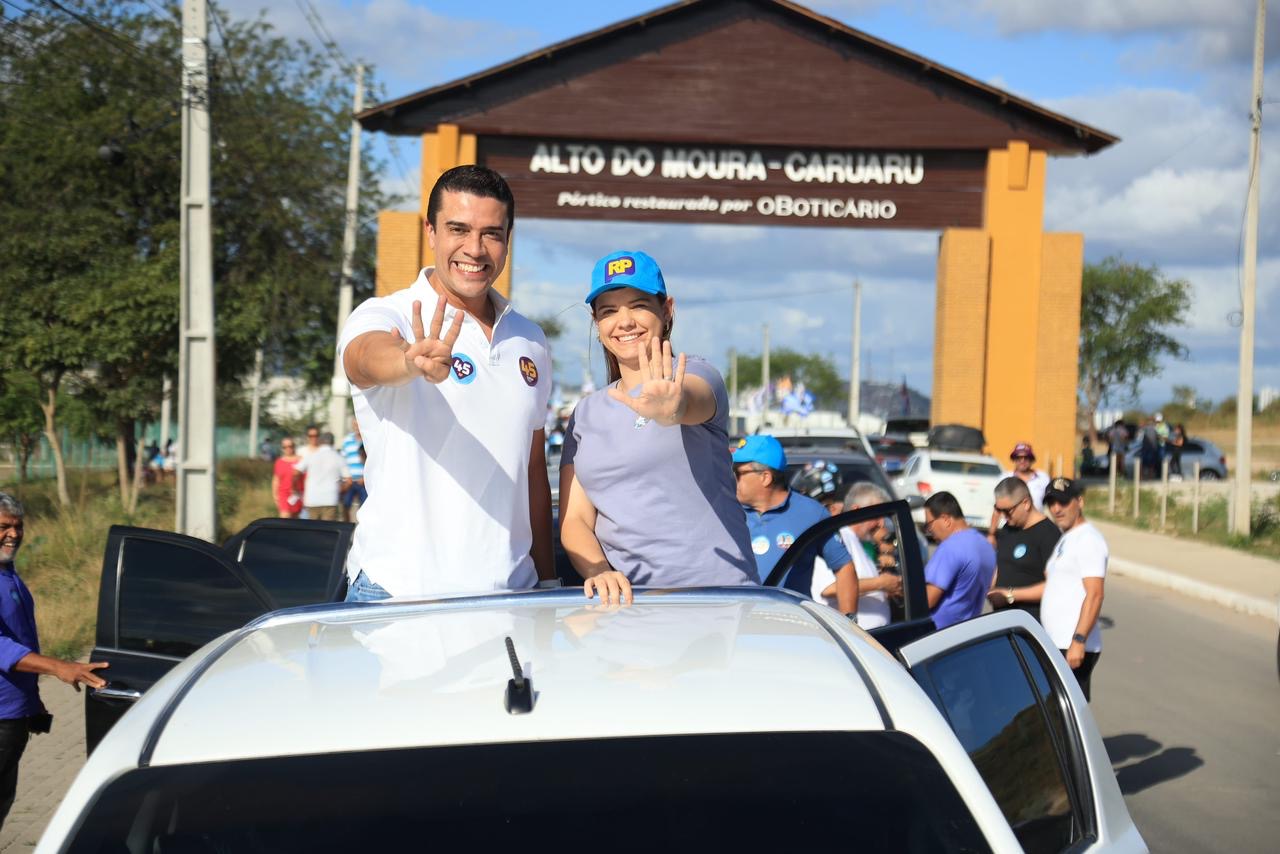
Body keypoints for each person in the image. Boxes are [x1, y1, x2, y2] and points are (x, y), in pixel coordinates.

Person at [338, 165, 554, 600]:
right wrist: (407, 361)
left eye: (492, 233)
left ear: (507, 241)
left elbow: (531, 469)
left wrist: (548, 582)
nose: (474, 249)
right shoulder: (392, 313)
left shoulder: (529, 339)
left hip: (513, 598)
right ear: (431, 232)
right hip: (399, 596)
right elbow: (363, 358)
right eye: (458, 229)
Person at [558, 250, 757, 604]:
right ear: (596, 322)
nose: (624, 321)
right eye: (608, 311)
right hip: (629, 608)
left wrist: (672, 407)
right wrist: (599, 571)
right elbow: (574, 520)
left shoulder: (696, 375)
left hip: (718, 602)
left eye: (638, 305)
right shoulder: (585, 414)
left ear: (666, 311)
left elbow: (689, 401)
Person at [0, 493, 108, 829]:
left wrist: (32, 703)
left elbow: (20, 640)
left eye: (18, 527)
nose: (14, 534)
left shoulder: (8, 573)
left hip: (13, 714)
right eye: (4, 526)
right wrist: (60, 667)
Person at [732, 435, 858, 615]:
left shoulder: (812, 513)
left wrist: (849, 622)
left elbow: (844, 567)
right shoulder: (727, 513)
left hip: (792, 629)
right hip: (739, 625)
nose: (732, 479)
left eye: (738, 473)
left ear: (765, 477)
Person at [1040, 478, 1107, 700]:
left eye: (1063, 502)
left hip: (1072, 646)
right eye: (1051, 503)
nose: (1056, 509)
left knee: (1069, 716)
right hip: (1058, 644)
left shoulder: (1088, 539)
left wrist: (1079, 641)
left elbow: (1095, 594)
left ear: (1080, 502)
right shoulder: (1068, 537)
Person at [985, 477, 1060, 622]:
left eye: (1007, 511)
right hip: (1002, 619)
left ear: (1025, 503)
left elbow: (1055, 585)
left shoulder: (1048, 534)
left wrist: (1010, 595)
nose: (1004, 517)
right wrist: (992, 588)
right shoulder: (1008, 528)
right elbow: (1002, 564)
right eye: (999, 510)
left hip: (1030, 623)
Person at [922, 491, 996, 629]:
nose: (929, 533)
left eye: (929, 525)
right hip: (965, 633)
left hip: (936, 635)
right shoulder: (986, 546)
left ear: (945, 519)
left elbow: (927, 600)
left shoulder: (950, 547)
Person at [987, 442, 1049, 542]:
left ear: (1031, 459)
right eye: (1018, 458)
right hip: (1011, 528)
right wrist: (992, 534)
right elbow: (998, 508)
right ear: (1014, 459)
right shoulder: (1005, 478)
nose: (1022, 461)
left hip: (1036, 527)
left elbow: (1049, 505)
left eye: (1026, 457)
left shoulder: (1043, 478)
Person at [292, 432, 346, 521]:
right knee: (327, 531)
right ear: (333, 443)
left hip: (311, 499)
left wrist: (295, 488)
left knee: (312, 530)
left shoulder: (311, 456)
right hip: (330, 499)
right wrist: (340, 490)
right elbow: (349, 481)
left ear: (320, 442)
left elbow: (296, 473)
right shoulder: (338, 457)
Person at [340, 420, 366, 522]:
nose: (357, 427)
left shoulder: (368, 439)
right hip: (350, 480)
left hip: (364, 481)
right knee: (345, 506)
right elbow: (342, 460)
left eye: (359, 424)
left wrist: (365, 478)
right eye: (355, 425)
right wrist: (346, 477)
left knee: (364, 507)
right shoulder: (347, 440)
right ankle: (347, 529)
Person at [271, 437, 303, 518]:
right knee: (285, 519)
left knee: (295, 522)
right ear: (282, 448)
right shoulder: (279, 462)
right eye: (285, 447)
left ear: (294, 446)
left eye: (290, 446)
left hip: (297, 495)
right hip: (283, 495)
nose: (288, 449)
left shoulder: (301, 460)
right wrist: (275, 496)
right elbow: (276, 480)